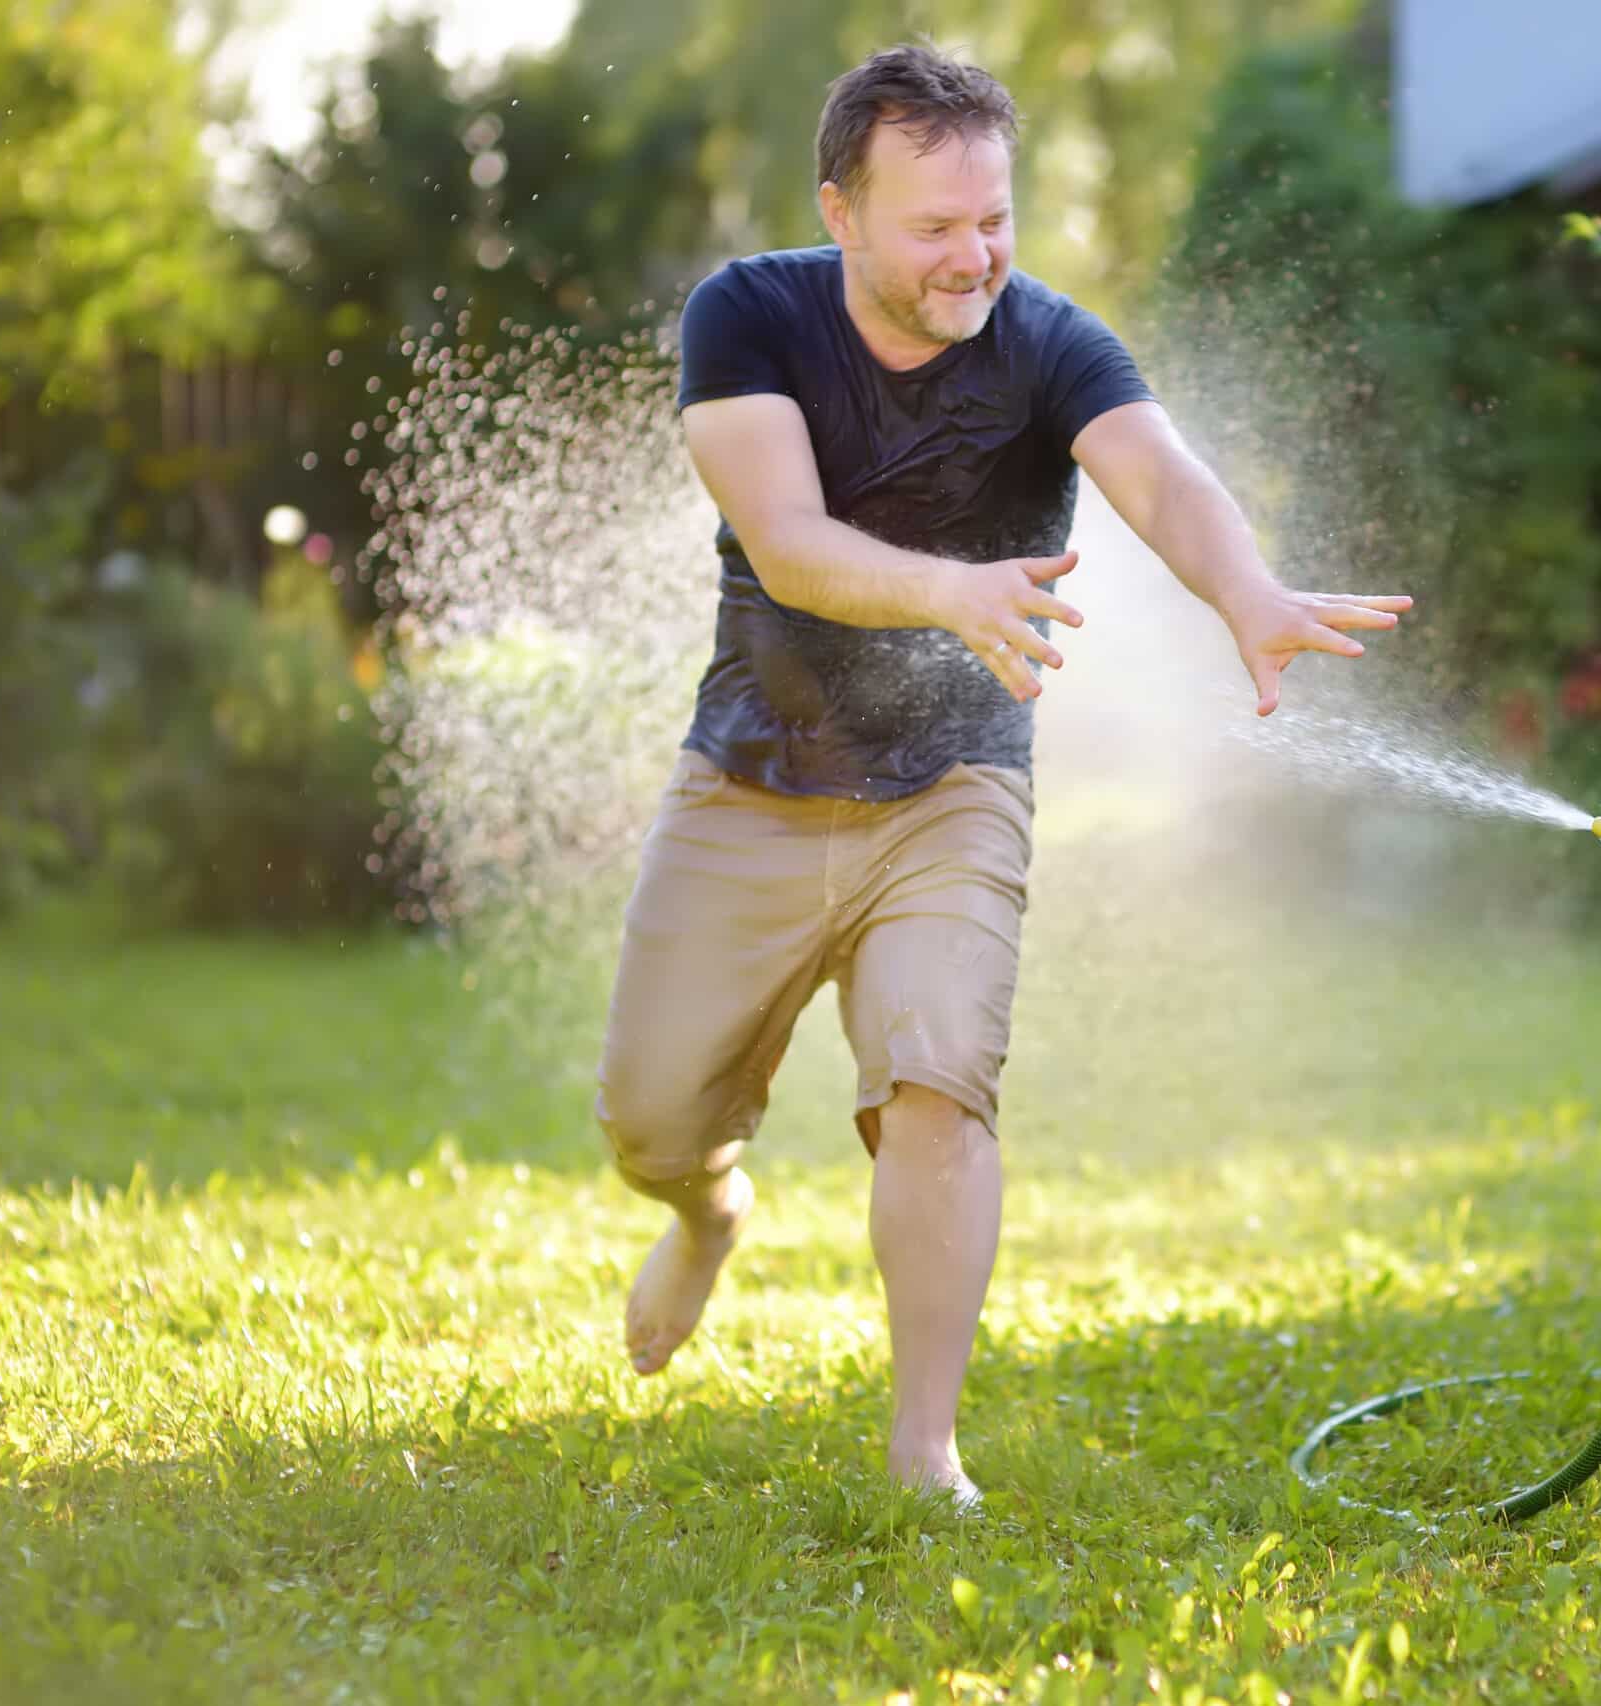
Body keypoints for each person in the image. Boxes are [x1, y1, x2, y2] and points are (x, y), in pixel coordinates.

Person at [594, 43, 1410, 1507]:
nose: (975, 254)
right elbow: (784, 540)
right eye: (934, 226)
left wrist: (1246, 591)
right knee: (649, 1120)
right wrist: (951, 593)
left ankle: (924, 1449)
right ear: (841, 211)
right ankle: (708, 1212)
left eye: (995, 219)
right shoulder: (752, 318)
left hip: (954, 787)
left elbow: (1160, 475)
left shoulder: (1048, 342)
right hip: (752, 782)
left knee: (937, 1084)